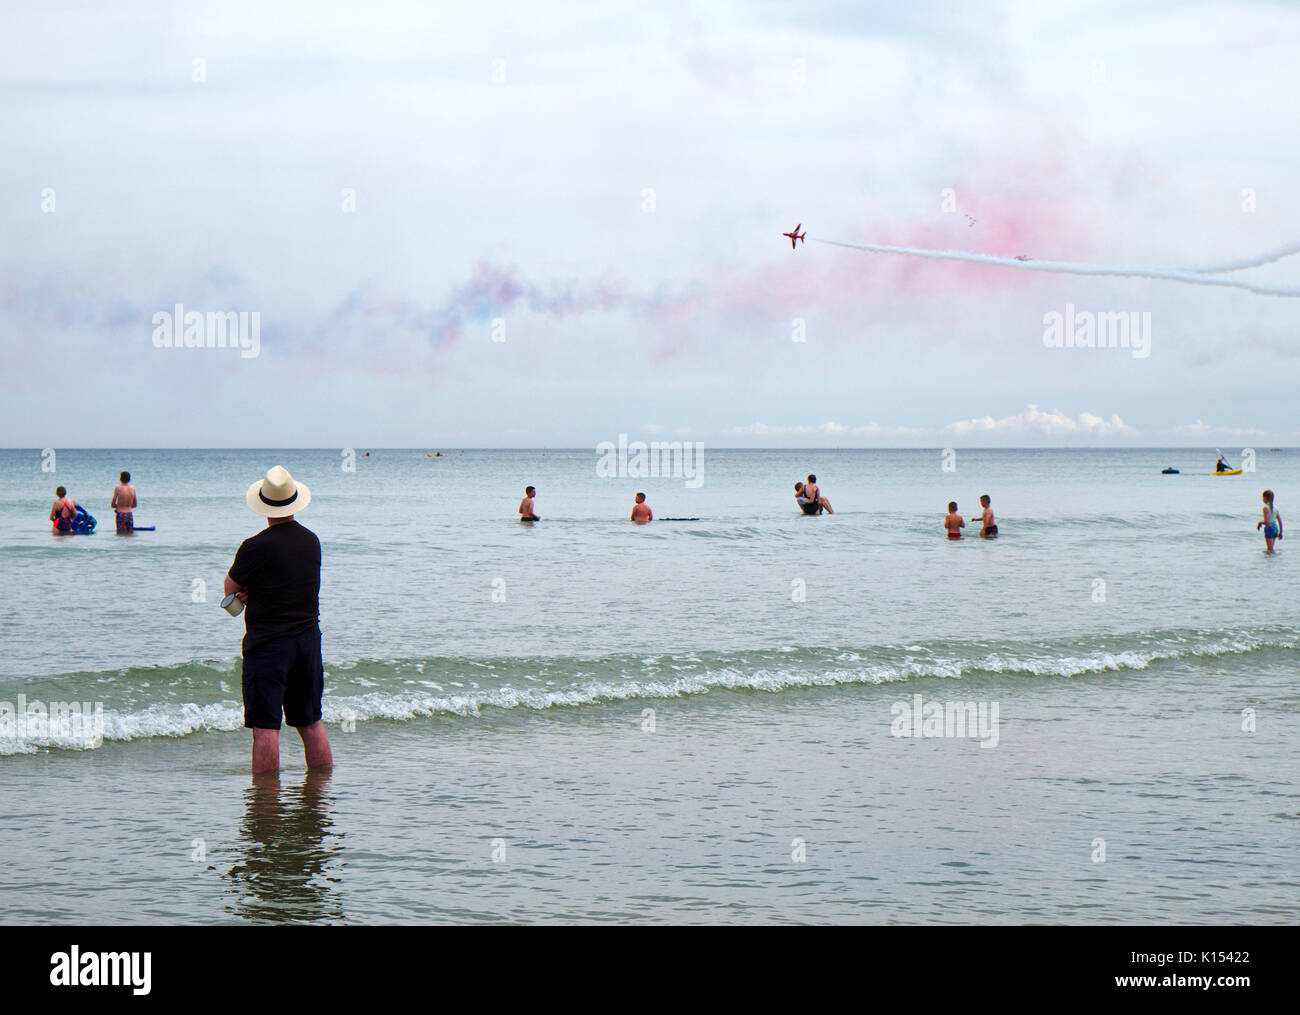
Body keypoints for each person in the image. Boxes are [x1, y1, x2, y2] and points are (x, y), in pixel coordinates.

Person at [224, 466, 332, 775]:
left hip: (269, 644)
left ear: (264, 504)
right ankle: (320, 795)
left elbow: (229, 590)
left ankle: (265, 806)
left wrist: (249, 591)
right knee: (311, 722)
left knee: (266, 727)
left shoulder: (254, 547)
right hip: (308, 641)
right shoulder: (312, 541)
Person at [1257, 489, 1281, 554]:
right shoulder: (1275, 508)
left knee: (1270, 550)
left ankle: (1269, 563)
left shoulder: (1265, 508)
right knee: (1271, 549)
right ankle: (1272, 562)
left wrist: (1260, 523)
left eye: (1263, 497)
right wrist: (1280, 533)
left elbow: (1267, 522)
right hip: (1275, 528)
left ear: (1265, 498)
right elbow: (1280, 521)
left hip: (1269, 528)